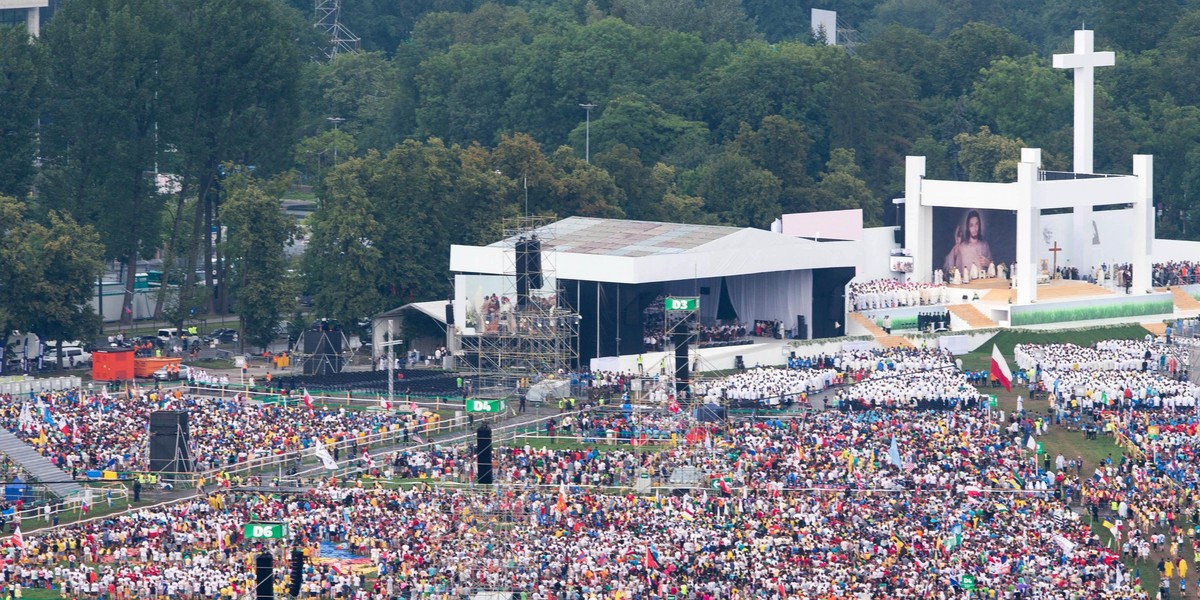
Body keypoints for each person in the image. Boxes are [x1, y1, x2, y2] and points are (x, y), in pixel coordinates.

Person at [943, 210, 993, 275]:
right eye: (971, 225)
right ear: (968, 228)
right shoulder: (962, 247)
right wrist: (957, 245)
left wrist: (989, 264)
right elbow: (948, 267)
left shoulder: (984, 245)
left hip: (981, 283)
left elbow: (992, 268)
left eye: (976, 224)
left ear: (980, 225)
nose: (975, 228)